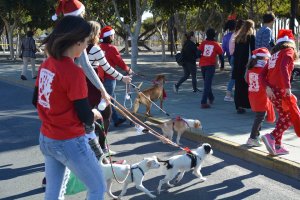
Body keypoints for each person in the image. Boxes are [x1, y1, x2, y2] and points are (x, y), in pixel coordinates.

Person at [33, 16, 105, 199]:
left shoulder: (46, 64)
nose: (86, 47)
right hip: (69, 141)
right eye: (86, 43)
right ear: (77, 42)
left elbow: (36, 100)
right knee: (98, 187)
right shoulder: (74, 73)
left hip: (47, 137)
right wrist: (94, 114)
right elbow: (85, 117)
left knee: (53, 192)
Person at [86, 21, 131, 154]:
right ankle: (102, 147)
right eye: (98, 32)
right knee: (106, 114)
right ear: (94, 33)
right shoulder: (95, 48)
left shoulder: (79, 47)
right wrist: (123, 78)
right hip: (94, 84)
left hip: (81, 84)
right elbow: (107, 68)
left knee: (86, 115)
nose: (100, 34)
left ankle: (88, 145)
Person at [260, 29, 299, 155]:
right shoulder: (288, 51)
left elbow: (262, 75)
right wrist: (287, 86)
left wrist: (266, 87)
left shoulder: (273, 56)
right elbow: (283, 67)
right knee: (290, 117)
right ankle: (272, 136)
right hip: (281, 90)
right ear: (290, 42)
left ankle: (277, 145)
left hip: (272, 91)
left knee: (283, 117)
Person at [100, 26, 133, 127]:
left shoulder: (98, 47)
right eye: (112, 34)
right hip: (109, 78)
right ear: (109, 36)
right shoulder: (111, 48)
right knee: (107, 100)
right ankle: (101, 122)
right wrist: (128, 69)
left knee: (110, 98)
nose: (114, 36)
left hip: (99, 77)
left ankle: (115, 119)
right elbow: (119, 61)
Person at [245, 47, 273, 147]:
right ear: (263, 59)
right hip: (260, 96)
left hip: (253, 95)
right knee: (260, 117)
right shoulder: (263, 70)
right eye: (266, 59)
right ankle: (252, 138)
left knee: (259, 116)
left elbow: (247, 80)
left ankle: (256, 136)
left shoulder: (251, 69)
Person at [232, 19, 255, 114]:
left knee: (238, 85)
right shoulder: (251, 37)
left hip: (237, 64)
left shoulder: (238, 37)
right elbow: (253, 51)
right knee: (246, 85)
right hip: (246, 65)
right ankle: (247, 104)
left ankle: (238, 105)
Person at [198, 28, 224, 108]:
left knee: (206, 83)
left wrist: (201, 57)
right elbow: (221, 55)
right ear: (214, 35)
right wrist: (222, 65)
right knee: (207, 83)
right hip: (210, 65)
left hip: (202, 65)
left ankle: (211, 97)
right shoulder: (216, 44)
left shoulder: (203, 43)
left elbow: (198, 53)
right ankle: (203, 102)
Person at [224, 19, 244, 102]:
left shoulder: (227, 36)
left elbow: (224, 49)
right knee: (235, 76)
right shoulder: (238, 35)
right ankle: (229, 94)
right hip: (236, 57)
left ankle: (230, 94)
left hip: (231, 57)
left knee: (234, 76)